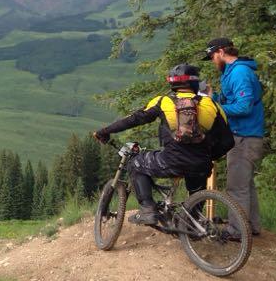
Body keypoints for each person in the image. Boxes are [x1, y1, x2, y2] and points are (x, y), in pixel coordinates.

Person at [94, 64, 234, 225]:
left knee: (135, 161)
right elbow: (228, 141)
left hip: (171, 161)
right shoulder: (212, 105)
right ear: (195, 83)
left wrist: (105, 131)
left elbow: (134, 119)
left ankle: (148, 209)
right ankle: (193, 223)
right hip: (201, 164)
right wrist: (208, 156)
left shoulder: (163, 101)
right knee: (196, 188)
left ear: (173, 84)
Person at [203, 37, 265, 236]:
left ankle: (236, 231)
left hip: (245, 137)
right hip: (248, 135)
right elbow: (233, 99)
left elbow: (243, 107)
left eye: (212, 56)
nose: (213, 61)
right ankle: (252, 226)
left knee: (236, 187)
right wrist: (213, 97)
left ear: (221, 52)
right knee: (245, 184)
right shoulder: (233, 72)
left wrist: (215, 108)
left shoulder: (239, 72)